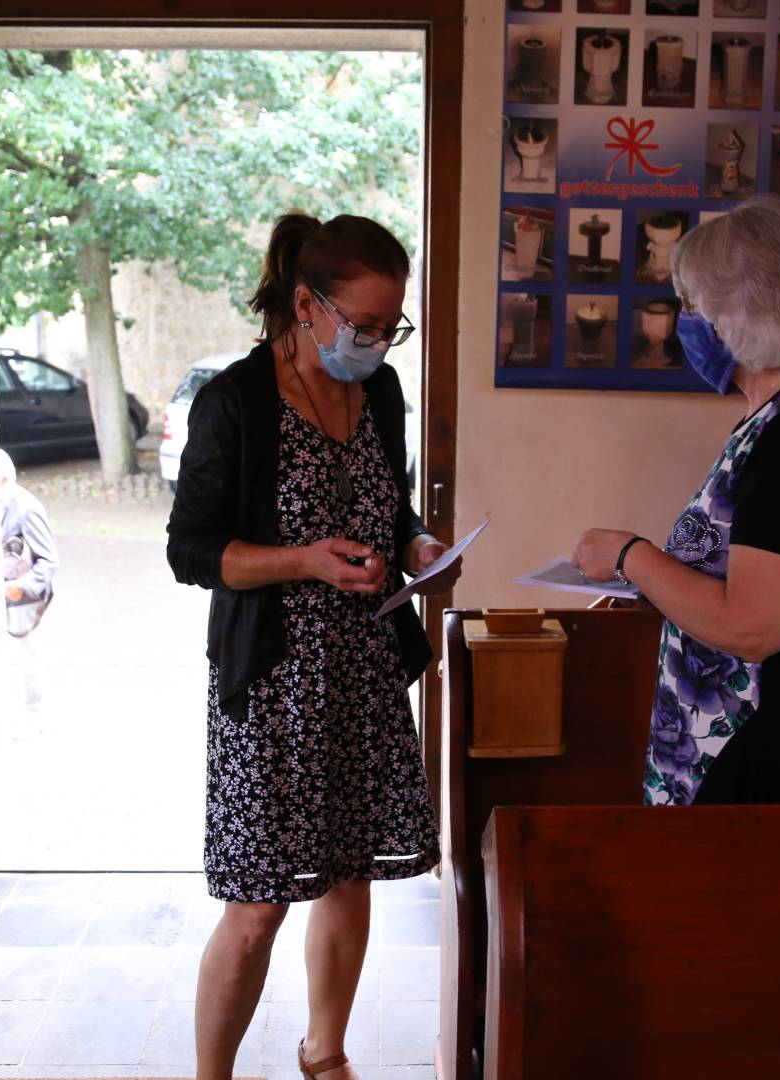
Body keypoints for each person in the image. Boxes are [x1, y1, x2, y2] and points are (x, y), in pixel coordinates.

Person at [166, 212, 460, 1080]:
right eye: (363, 326)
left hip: (364, 676)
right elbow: (190, 550)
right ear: (306, 303)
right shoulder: (235, 401)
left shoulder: (384, 393)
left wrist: (416, 546)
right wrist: (303, 560)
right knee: (257, 906)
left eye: (389, 327)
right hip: (271, 687)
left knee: (350, 874)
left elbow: (390, 506)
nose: (376, 343)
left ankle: (324, 1053)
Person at [571, 195, 780, 806]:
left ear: (743, 309)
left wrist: (630, 555)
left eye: (693, 304)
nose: (687, 320)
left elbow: (754, 626)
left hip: (770, 755)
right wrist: (662, 587)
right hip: (749, 741)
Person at [0, 448, 59, 714]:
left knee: (27, 658)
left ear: (3, 480)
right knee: (8, 661)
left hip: (21, 599)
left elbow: (49, 561)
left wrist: (18, 588)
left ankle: (36, 715)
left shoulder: (26, 508)